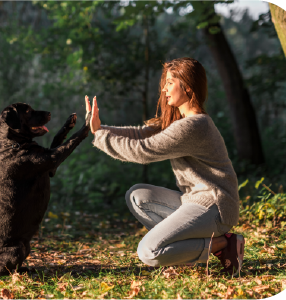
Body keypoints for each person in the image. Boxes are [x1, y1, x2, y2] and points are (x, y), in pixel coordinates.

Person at [85, 57, 244, 276]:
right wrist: (100, 129)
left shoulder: (194, 126)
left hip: (215, 207)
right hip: (195, 201)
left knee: (149, 251)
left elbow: (142, 151)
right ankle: (183, 250)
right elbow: (141, 134)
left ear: (187, 86)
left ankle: (223, 244)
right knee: (138, 196)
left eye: (170, 83)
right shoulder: (183, 121)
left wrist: (101, 136)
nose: (164, 89)